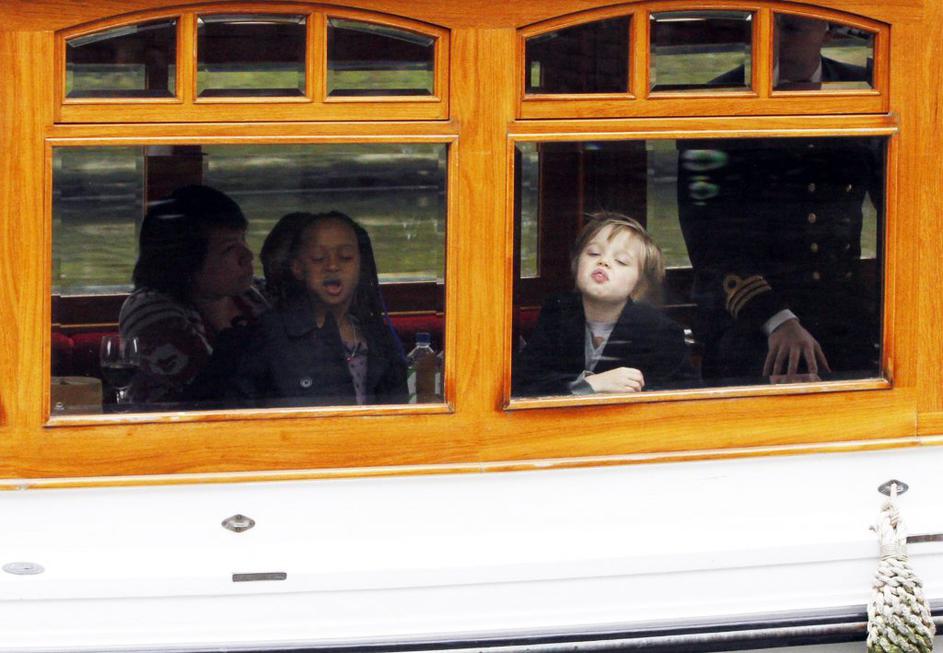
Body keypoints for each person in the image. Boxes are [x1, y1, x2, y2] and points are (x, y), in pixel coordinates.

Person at [677, 15, 881, 383]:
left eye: (791, 27)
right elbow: (707, 237)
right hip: (749, 319)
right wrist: (776, 319)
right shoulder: (717, 100)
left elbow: (901, 202)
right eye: (765, 27)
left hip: (843, 314)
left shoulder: (866, 88)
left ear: (827, 29)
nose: (775, 40)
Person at [231, 211, 408, 406]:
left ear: (360, 266)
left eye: (346, 257)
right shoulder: (269, 336)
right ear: (298, 268)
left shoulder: (378, 338)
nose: (332, 266)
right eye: (318, 258)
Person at [513, 213, 698, 397]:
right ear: (576, 263)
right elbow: (523, 383)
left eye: (621, 261)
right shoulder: (558, 312)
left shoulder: (659, 331)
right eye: (593, 253)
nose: (603, 262)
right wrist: (589, 384)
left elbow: (684, 395)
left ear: (639, 284)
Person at [119, 185, 269, 405]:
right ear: (186, 262)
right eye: (229, 249)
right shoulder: (150, 311)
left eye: (243, 239)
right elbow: (217, 393)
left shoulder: (254, 294)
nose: (247, 255)